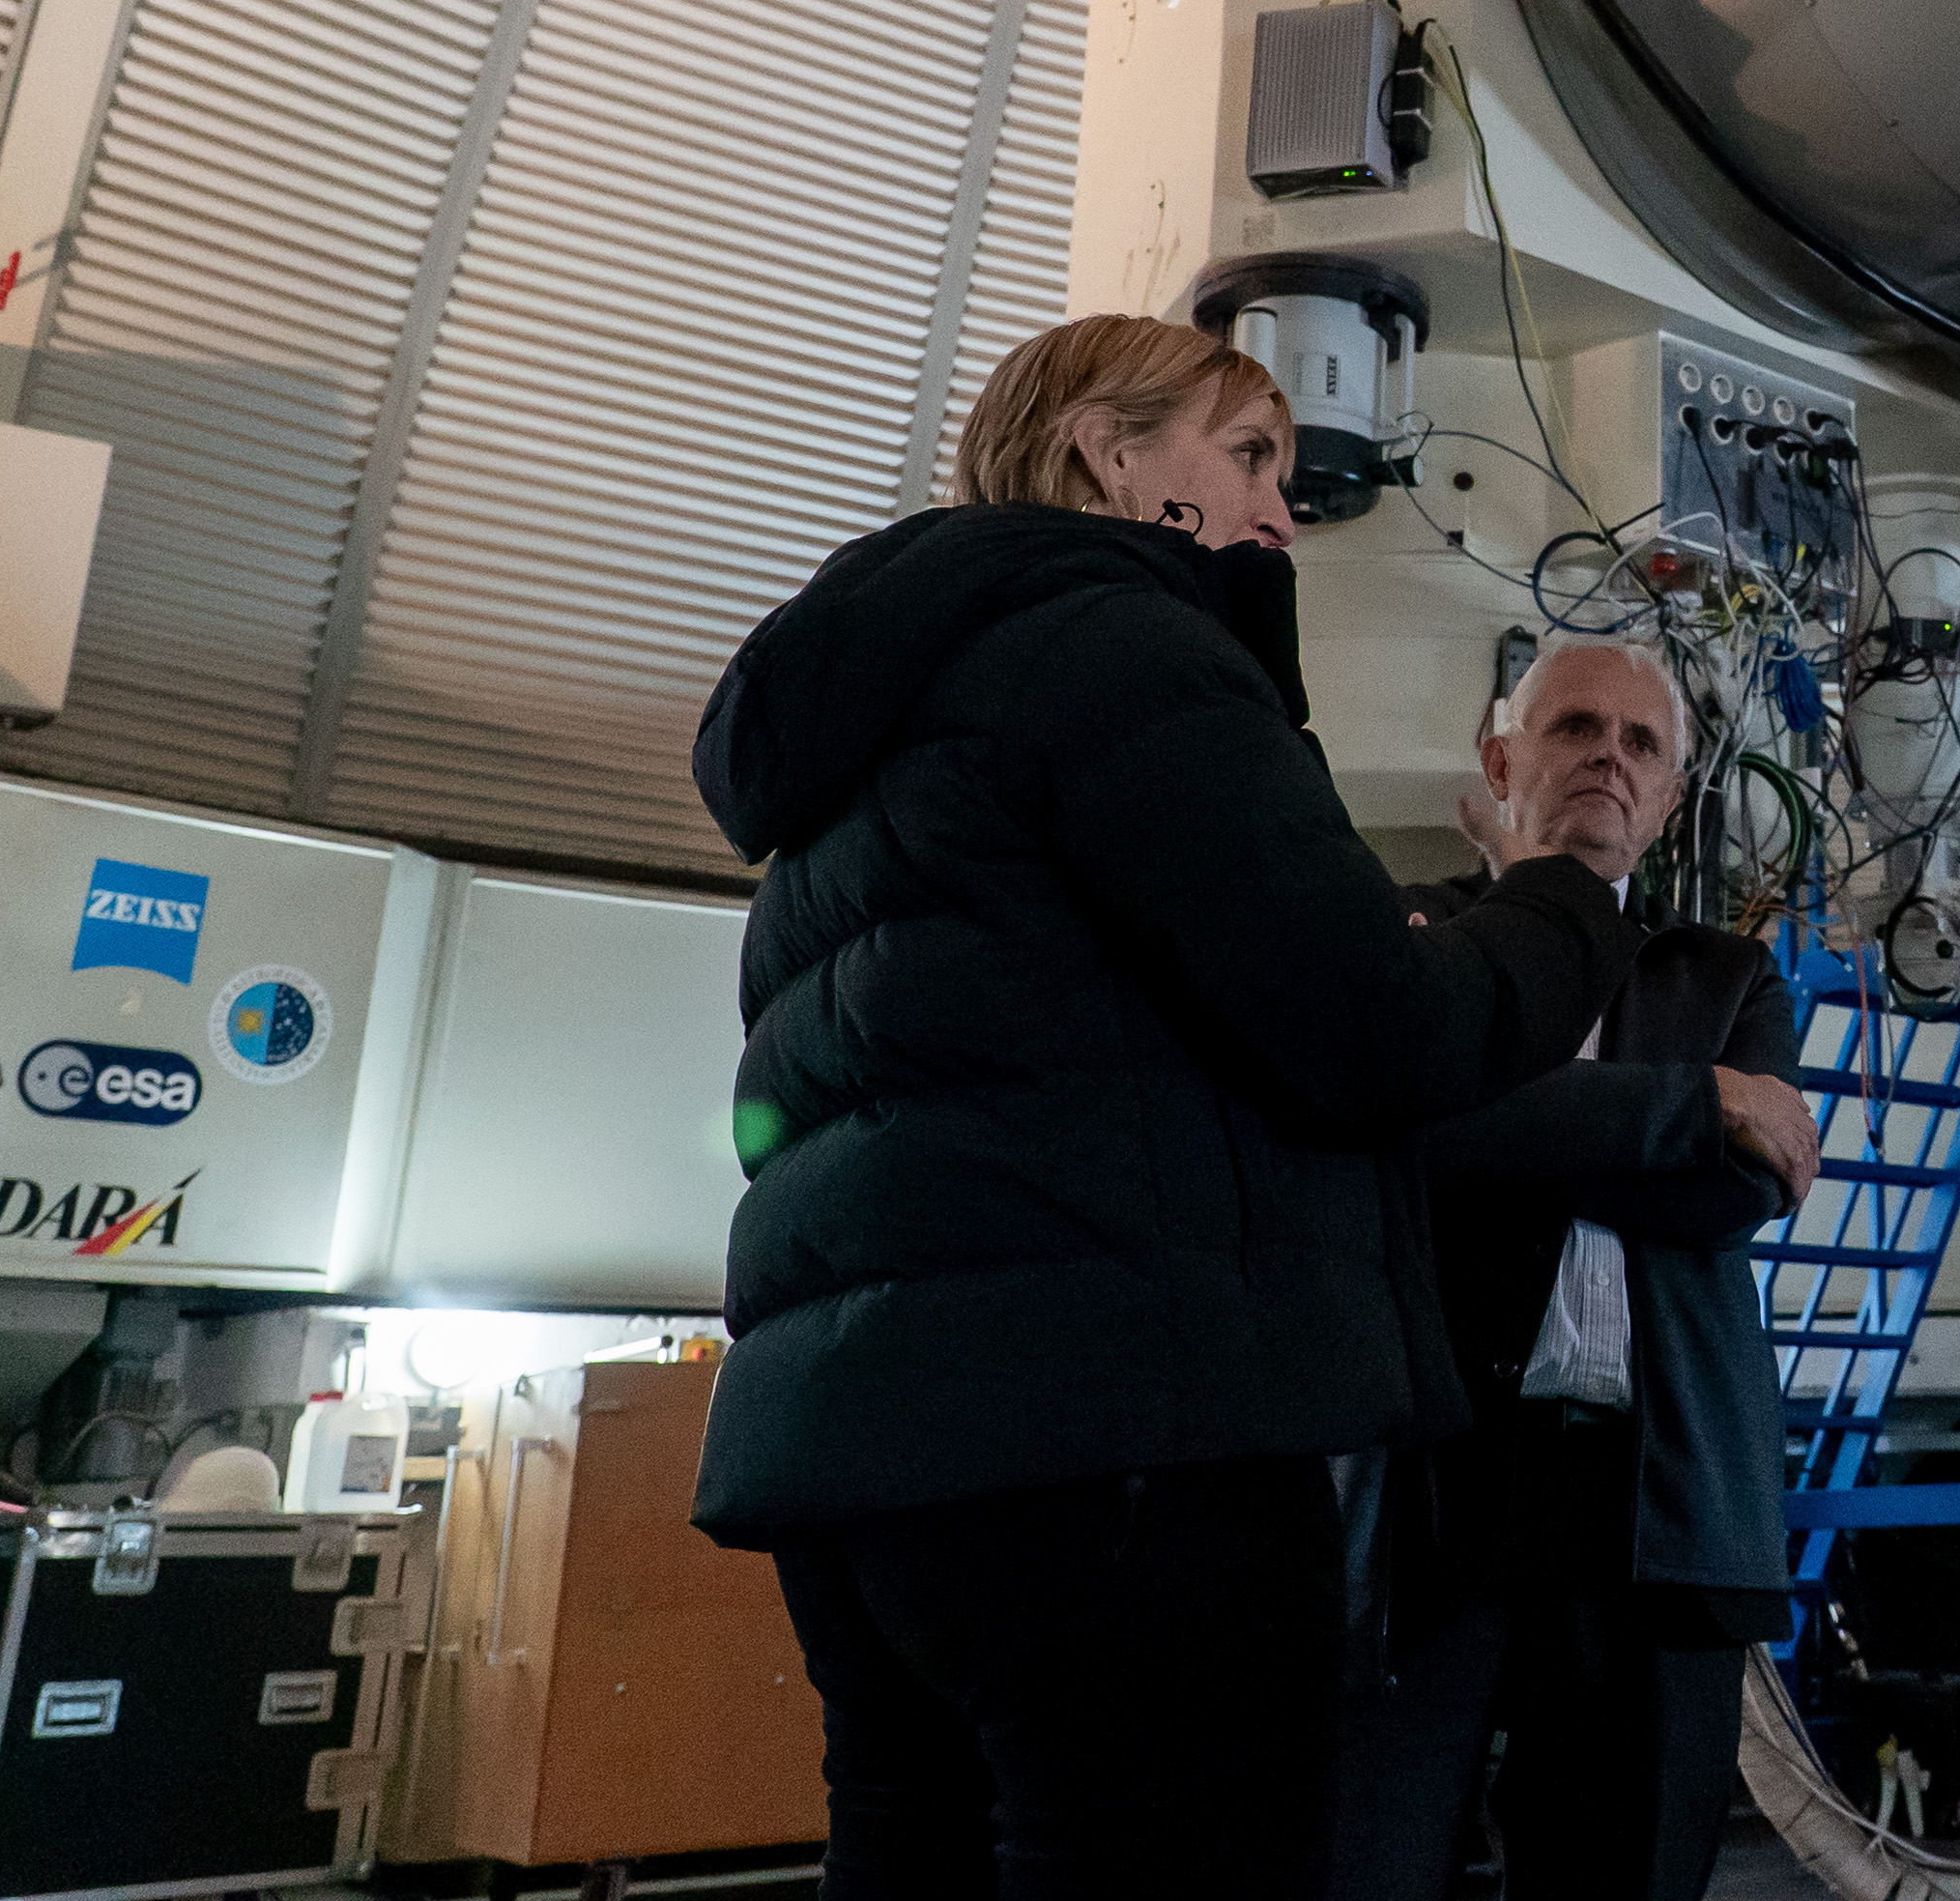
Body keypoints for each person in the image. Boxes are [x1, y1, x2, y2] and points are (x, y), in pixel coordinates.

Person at [686, 313, 1647, 1901]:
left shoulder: (869, 736)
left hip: (865, 1474)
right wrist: (1563, 891)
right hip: (1115, 1453)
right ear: (1112, 457)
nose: (1286, 509)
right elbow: (1382, 1033)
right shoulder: (1117, 645)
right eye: (1250, 454)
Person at [1330, 633, 1820, 1901]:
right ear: (1500, 760)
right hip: (1439, 1495)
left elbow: (1737, 1190)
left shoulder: (1731, 980)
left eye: (1640, 743)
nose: (1609, 755)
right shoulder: (1411, 938)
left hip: (1657, 1519)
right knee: (1367, 1863)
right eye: (1574, 729)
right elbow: (1398, 1134)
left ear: (1667, 801)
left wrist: (1502, 1121)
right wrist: (1685, 1107)